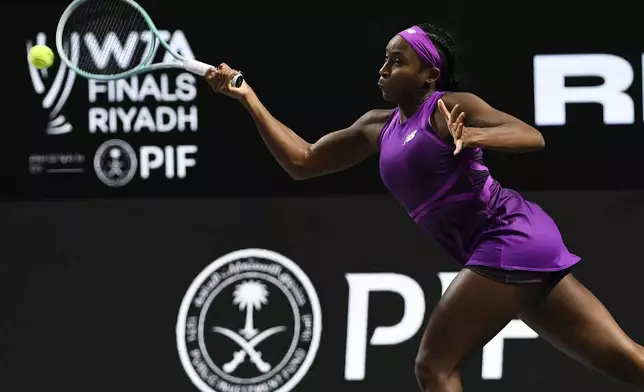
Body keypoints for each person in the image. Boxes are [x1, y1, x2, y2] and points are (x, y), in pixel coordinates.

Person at [204, 23, 644, 391]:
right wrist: (248, 99)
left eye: (397, 61)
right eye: (385, 58)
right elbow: (302, 162)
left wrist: (475, 136)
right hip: (508, 248)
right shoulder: (375, 128)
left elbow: (531, 136)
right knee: (625, 360)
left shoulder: (449, 107)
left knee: (434, 368)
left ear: (429, 75)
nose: (383, 69)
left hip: (510, 236)